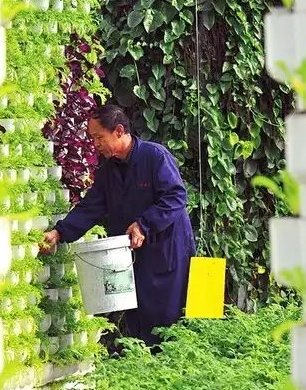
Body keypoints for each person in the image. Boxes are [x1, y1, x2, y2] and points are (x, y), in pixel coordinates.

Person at [42, 103, 196, 347]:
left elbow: (176, 197)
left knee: (170, 322)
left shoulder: (155, 157)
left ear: (119, 131)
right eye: (92, 138)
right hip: (134, 257)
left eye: (98, 137)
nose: (95, 144)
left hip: (169, 254)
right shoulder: (108, 171)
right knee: (138, 319)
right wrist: (59, 232)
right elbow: (91, 207)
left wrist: (144, 224)